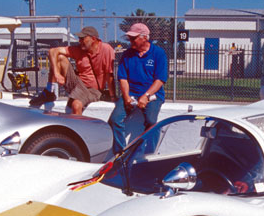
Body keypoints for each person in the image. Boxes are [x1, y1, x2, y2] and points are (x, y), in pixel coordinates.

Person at [108, 23, 168, 153]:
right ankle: (120, 154)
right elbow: (123, 78)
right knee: (114, 120)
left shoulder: (158, 53)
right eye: (129, 38)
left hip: (152, 95)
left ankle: (149, 154)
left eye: (133, 38)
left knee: (151, 121)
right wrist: (126, 97)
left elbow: (160, 80)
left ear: (145, 37)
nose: (130, 41)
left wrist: (146, 96)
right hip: (131, 94)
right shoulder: (127, 55)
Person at [29, 26, 115, 115]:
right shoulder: (79, 49)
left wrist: (113, 97)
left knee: (76, 105)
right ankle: (49, 91)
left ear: (93, 39)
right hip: (77, 83)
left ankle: (78, 128)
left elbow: (109, 75)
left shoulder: (106, 49)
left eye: (82, 39)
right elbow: (52, 51)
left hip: (92, 90)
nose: (80, 41)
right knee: (59, 57)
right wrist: (57, 73)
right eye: (79, 39)